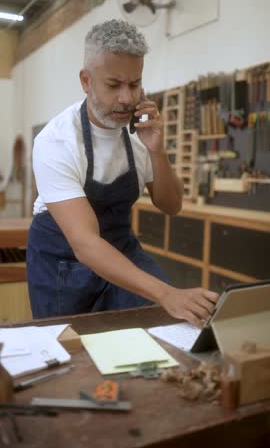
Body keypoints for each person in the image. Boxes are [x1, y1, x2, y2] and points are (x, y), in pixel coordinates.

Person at [27, 19, 219, 325]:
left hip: (122, 253)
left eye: (134, 84)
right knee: (72, 359)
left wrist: (157, 150)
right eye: (114, 85)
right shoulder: (57, 142)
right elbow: (86, 244)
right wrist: (167, 293)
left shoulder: (139, 135)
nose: (127, 98)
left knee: (163, 328)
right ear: (86, 81)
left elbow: (171, 205)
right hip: (65, 265)